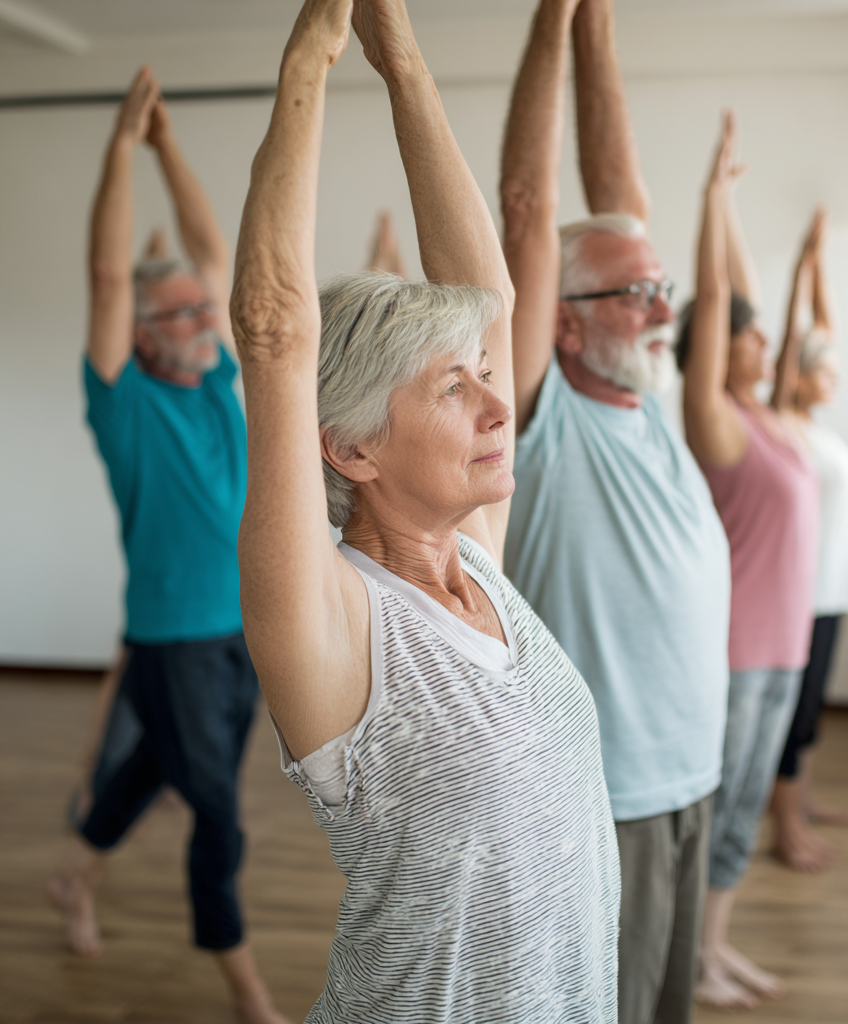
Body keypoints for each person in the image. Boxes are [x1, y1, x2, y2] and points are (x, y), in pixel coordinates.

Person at [228, 0, 619, 1020]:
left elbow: (484, 290)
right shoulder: (335, 621)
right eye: (454, 389)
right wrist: (314, 51)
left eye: (483, 378)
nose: (500, 404)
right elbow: (274, 331)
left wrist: (399, 54)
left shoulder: (475, 555)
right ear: (351, 449)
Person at [501, 2, 731, 1021]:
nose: (661, 308)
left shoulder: (648, 400)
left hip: (692, 777)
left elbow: (619, 197)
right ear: (561, 322)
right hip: (615, 796)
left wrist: (598, 30)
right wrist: (553, 21)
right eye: (636, 295)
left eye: (659, 288)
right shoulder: (544, 416)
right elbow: (523, 205)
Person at [46, 68, 288, 1024]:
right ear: (140, 336)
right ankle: (244, 987)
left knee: (155, 773)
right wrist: (117, 149)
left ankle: (75, 877)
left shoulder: (221, 377)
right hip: (175, 639)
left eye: (201, 309)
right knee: (218, 822)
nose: (200, 323)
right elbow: (109, 277)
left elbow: (215, 251)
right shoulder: (124, 404)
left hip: (242, 631)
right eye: (178, 315)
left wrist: (169, 146)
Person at [677, 112, 818, 1011]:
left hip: (785, 650)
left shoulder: (766, 415)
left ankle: (714, 949)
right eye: (746, 338)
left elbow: (748, 298)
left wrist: (732, 205)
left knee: (744, 813)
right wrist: (708, 201)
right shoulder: (716, 422)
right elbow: (722, 302)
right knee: (720, 815)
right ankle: (690, 957)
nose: (764, 349)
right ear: (714, 348)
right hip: (735, 652)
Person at [769, 208, 848, 871]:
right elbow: (796, 345)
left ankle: (802, 802)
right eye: (821, 368)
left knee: (813, 707)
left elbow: (823, 335)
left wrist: (817, 266)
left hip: (833, 592)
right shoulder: (785, 423)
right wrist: (796, 281)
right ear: (797, 375)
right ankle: (786, 829)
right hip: (802, 596)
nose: (835, 374)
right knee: (795, 715)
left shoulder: (820, 426)